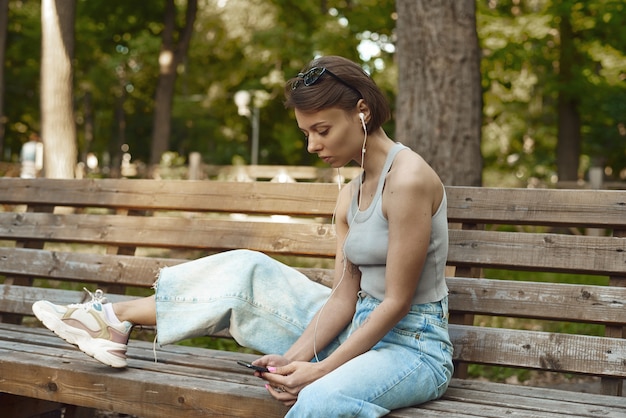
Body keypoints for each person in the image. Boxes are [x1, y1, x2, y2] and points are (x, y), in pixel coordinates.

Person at [32, 55, 453, 417]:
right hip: (359, 328)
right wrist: (292, 360)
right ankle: (111, 320)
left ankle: (110, 318)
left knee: (322, 399)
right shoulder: (349, 194)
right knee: (245, 270)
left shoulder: (409, 179)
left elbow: (397, 302)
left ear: (362, 111)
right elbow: (344, 296)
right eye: (306, 133)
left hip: (414, 348)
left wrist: (320, 370)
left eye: (322, 130)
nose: (311, 146)